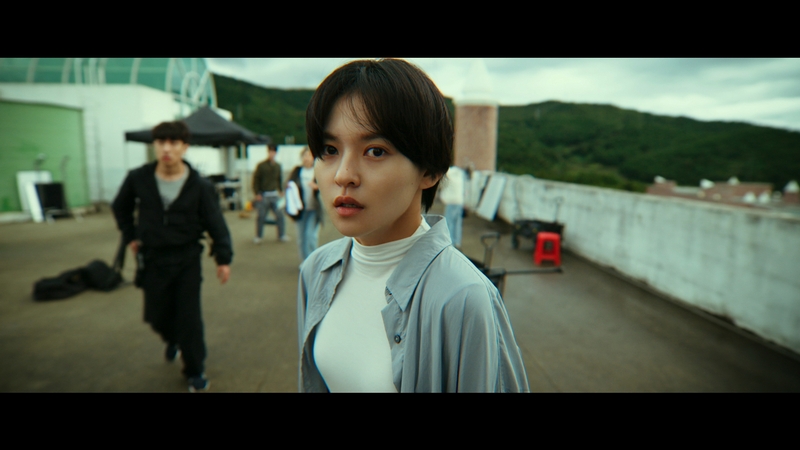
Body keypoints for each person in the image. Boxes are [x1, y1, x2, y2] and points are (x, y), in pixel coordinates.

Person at [297, 59, 529, 392]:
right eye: (329, 149)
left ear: (430, 171)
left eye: (375, 151)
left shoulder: (464, 297)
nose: (343, 175)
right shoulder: (316, 271)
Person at [112, 120, 232, 392]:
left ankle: (194, 369)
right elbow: (120, 207)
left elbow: (215, 223)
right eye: (161, 142)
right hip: (152, 258)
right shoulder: (138, 178)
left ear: (184, 147)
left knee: (189, 317)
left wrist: (223, 258)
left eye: (173, 143)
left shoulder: (199, 185)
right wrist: (131, 236)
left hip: (187, 259)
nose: (166, 148)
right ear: (154, 145)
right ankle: (172, 338)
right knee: (157, 314)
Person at [287, 146, 322, 261]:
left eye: (309, 155)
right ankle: (305, 262)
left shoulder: (318, 171)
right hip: (300, 210)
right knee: (301, 238)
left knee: (310, 236)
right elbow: (288, 184)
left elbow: (327, 188)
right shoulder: (297, 171)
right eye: (304, 155)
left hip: (314, 209)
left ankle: (314, 261)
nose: (306, 158)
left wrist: (317, 187)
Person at [252, 144, 288, 243]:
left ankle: (281, 235)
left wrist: (281, 190)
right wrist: (257, 193)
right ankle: (258, 236)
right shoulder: (261, 165)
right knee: (261, 216)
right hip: (264, 195)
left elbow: (279, 179)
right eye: (270, 152)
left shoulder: (278, 166)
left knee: (280, 215)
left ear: (276, 153)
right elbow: (256, 180)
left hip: (274, 194)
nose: (272, 154)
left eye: (273, 152)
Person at [438, 165, 466, 249]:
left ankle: (451, 243)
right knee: (457, 223)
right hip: (459, 201)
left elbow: (442, 185)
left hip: (451, 202)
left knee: (449, 222)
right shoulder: (459, 174)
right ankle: (457, 242)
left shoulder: (449, 174)